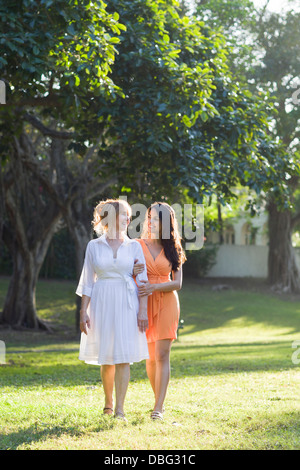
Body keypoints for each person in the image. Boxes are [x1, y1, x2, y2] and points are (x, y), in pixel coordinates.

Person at [76, 198, 149, 421]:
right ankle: (108, 404)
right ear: (110, 218)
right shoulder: (94, 246)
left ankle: (120, 409)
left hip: (127, 302)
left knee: (123, 357)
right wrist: (83, 312)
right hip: (102, 301)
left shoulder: (134, 246)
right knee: (106, 357)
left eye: (129, 215)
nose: (128, 219)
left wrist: (142, 311)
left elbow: (143, 282)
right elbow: (88, 281)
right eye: (123, 215)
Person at [134, 202, 186, 420]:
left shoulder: (174, 248)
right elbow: (129, 275)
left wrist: (154, 287)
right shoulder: (137, 245)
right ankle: (159, 402)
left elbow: (177, 283)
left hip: (167, 303)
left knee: (162, 355)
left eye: (155, 218)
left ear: (165, 223)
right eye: (149, 218)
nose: (150, 222)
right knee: (150, 358)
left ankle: (158, 407)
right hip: (144, 303)